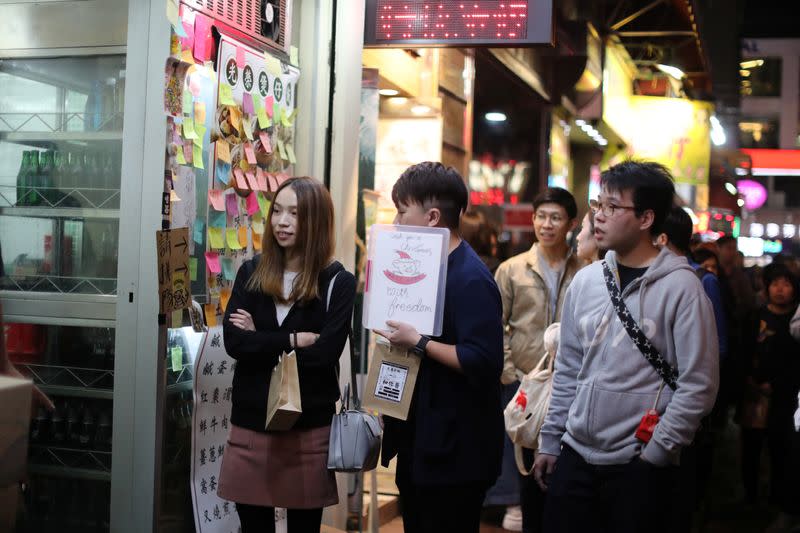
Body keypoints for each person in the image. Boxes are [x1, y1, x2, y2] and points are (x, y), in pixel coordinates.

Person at [533, 161, 719, 533]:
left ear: (647, 217)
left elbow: (699, 385)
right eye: (597, 205)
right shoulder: (586, 282)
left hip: (639, 465)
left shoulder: (683, 289)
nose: (599, 217)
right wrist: (551, 441)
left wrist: (656, 453)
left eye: (612, 208)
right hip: (575, 456)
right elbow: (568, 368)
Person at [217, 177, 356, 533]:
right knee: (253, 528)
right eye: (277, 211)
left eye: (295, 213)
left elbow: (324, 356)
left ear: (316, 221)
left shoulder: (337, 283)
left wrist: (259, 339)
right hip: (251, 422)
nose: (282, 221)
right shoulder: (251, 272)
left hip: (307, 428)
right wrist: (293, 339)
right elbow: (234, 342)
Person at [375, 162, 504, 533]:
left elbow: (482, 360)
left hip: (456, 451)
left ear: (432, 217)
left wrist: (418, 341)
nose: (397, 222)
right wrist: (389, 401)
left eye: (402, 211)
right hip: (422, 439)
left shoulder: (470, 278)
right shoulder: (426, 269)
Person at [493, 187, 581, 532]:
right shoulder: (512, 269)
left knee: (559, 450)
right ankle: (515, 503)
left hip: (565, 379)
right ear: (533, 220)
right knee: (519, 441)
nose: (547, 224)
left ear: (570, 223)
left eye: (556, 217)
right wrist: (508, 370)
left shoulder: (584, 271)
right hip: (523, 377)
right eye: (541, 216)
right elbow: (495, 323)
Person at [739, 263, 800, 532]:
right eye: (775, 283)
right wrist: (749, 381)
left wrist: (779, 385)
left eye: (786, 284)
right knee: (750, 447)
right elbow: (743, 351)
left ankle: (779, 498)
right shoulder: (756, 317)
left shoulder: (795, 323)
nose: (780, 289)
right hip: (753, 395)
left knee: (782, 449)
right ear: (767, 287)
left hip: (785, 398)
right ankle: (750, 496)